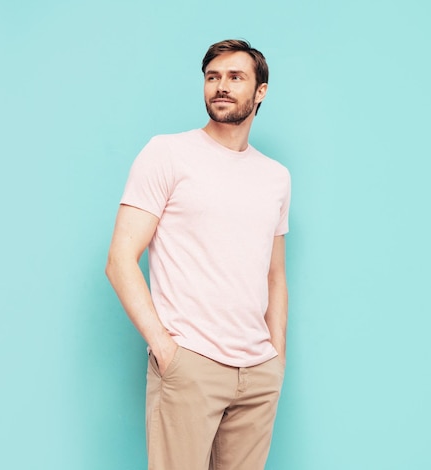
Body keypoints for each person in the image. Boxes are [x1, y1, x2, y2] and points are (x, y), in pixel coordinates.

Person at [105, 39, 291, 470]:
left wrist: (276, 360)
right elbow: (120, 260)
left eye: (235, 77)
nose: (221, 87)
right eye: (212, 77)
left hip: (258, 373)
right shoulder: (167, 154)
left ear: (260, 91)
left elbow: (275, 275)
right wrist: (167, 352)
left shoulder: (276, 177)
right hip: (190, 366)